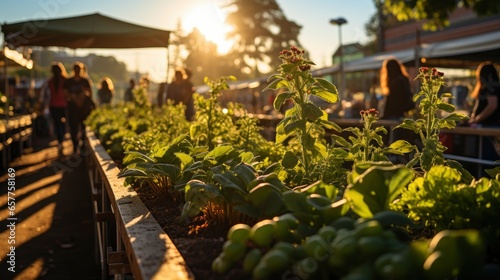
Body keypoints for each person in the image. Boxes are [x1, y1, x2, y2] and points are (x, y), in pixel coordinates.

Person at [468, 61, 500, 164]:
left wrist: (476, 119)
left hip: (488, 127)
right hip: (491, 126)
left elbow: (492, 105)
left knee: (487, 159)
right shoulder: (495, 86)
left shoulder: (490, 87)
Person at [64, 61, 94, 154]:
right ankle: (75, 146)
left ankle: (82, 146)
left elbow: (90, 93)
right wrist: (74, 97)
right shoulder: (69, 81)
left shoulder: (85, 81)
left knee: (83, 127)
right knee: (74, 129)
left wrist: (81, 96)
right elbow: (65, 94)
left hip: (83, 109)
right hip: (73, 109)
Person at [41, 62, 69, 155]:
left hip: (53, 106)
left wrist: (44, 104)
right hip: (64, 106)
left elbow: (44, 95)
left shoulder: (50, 81)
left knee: (57, 125)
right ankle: (62, 138)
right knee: (64, 124)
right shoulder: (65, 80)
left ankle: (60, 141)